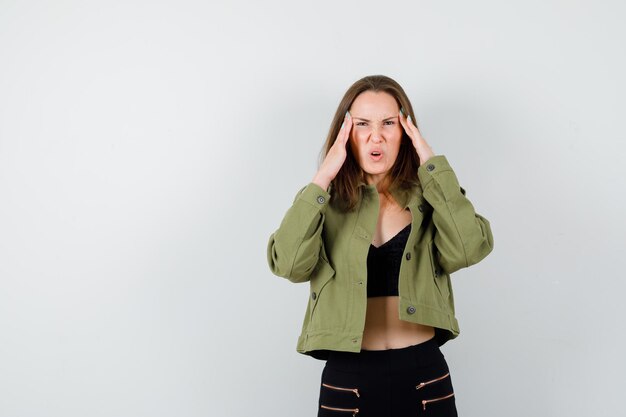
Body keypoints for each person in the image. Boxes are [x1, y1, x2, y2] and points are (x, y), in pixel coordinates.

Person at [267, 75, 494, 417]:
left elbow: (469, 248)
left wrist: (433, 166)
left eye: (389, 123)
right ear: (345, 132)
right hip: (348, 377)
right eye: (362, 124)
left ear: (406, 130)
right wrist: (322, 178)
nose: (377, 136)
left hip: (424, 375)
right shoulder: (323, 202)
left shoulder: (428, 197)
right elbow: (289, 264)